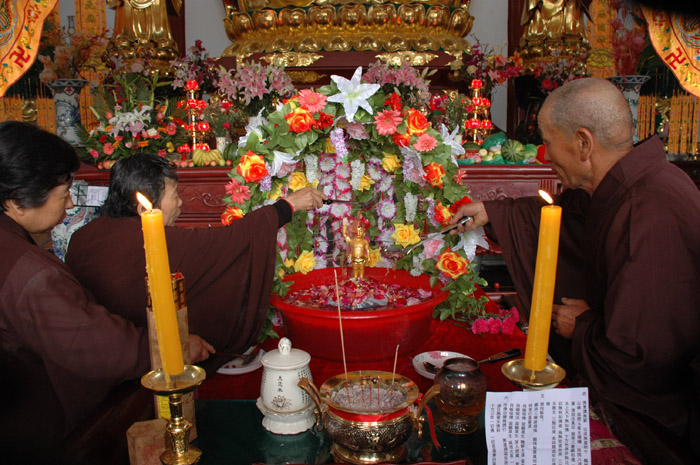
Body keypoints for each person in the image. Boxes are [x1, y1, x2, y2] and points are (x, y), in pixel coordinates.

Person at [451, 78, 700, 455]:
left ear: (584, 144)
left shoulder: (651, 213)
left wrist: (582, 327)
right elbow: (569, 218)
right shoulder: (625, 187)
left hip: (656, 420)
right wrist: (492, 212)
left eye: (548, 142)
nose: (545, 155)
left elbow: (645, 358)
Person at [0, 122, 210, 460]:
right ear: (17, 202)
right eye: (63, 193)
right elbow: (92, 345)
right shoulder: (32, 275)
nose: (71, 203)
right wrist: (173, 346)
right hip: (29, 431)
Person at [66, 153, 326, 360]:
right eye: (175, 196)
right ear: (144, 209)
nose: (180, 203)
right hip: (139, 362)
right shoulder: (155, 242)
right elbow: (232, 241)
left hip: (95, 355)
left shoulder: (82, 236)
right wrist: (288, 205)